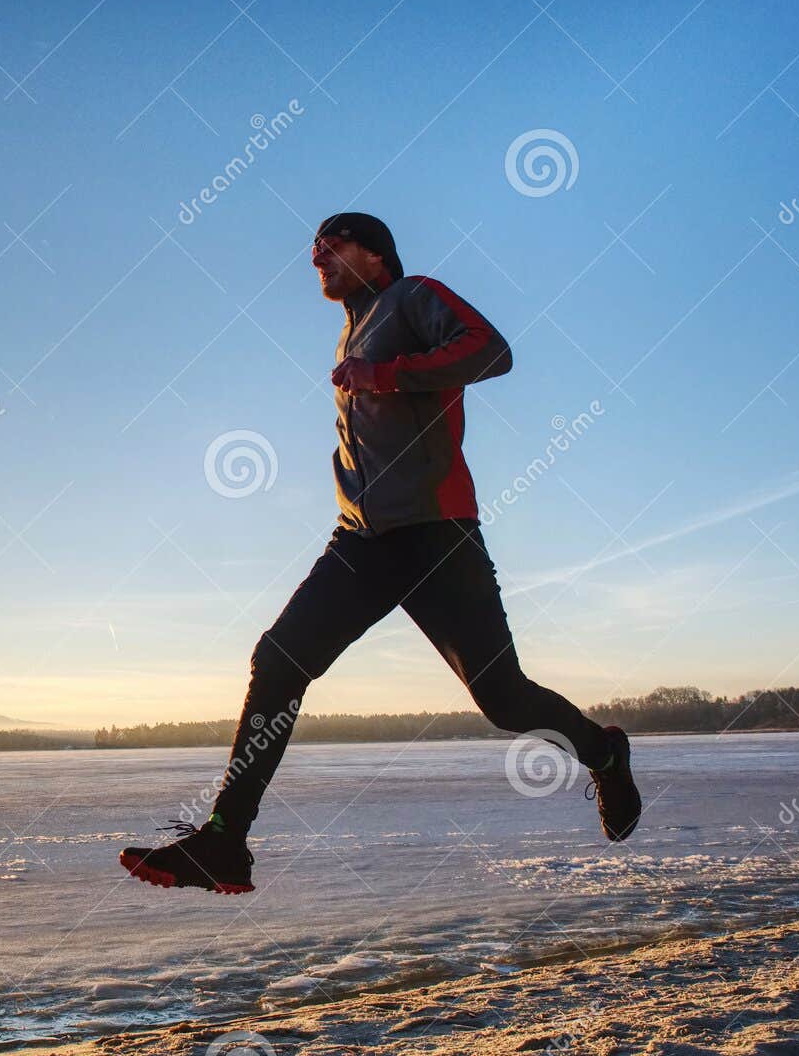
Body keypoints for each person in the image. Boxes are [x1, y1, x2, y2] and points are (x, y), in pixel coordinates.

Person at [120, 212, 641, 895]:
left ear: (377, 254)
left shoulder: (412, 297)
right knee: (278, 660)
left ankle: (603, 752)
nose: (316, 255)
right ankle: (225, 839)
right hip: (362, 539)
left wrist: (387, 375)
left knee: (503, 698)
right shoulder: (350, 329)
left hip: (434, 533)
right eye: (313, 247)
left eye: (332, 243)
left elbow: (491, 350)